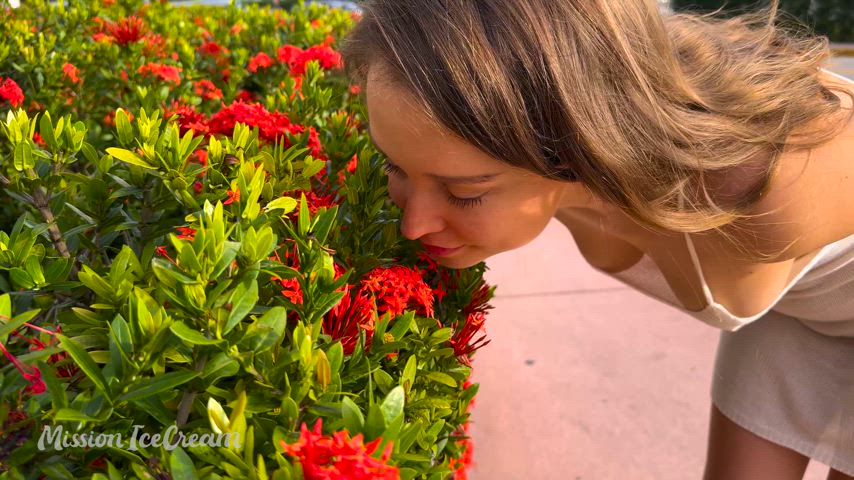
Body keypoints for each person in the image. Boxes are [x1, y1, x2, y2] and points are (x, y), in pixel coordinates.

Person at [339, 1, 854, 479]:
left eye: (464, 192)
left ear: (579, 144)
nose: (413, 225)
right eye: (394, 165)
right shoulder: (581, 91)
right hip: (796, 314)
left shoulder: (764, 184)